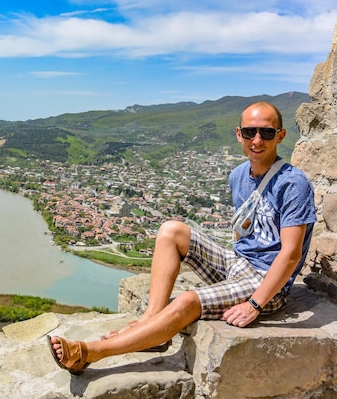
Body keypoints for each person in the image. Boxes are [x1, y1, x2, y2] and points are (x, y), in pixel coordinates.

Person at [48, 101, 317, 375]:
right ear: (239, 134)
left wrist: (254, 304)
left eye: (266, 133)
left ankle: (90, 352)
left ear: (280, 136)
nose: (257, 140)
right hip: (239, 264)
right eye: (250, 132)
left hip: (267, 281)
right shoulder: (238, 175)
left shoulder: (293, 183)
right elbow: (242, 230)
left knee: (188, 300)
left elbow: (291, 254)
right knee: (171, 230)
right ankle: (152, 322)